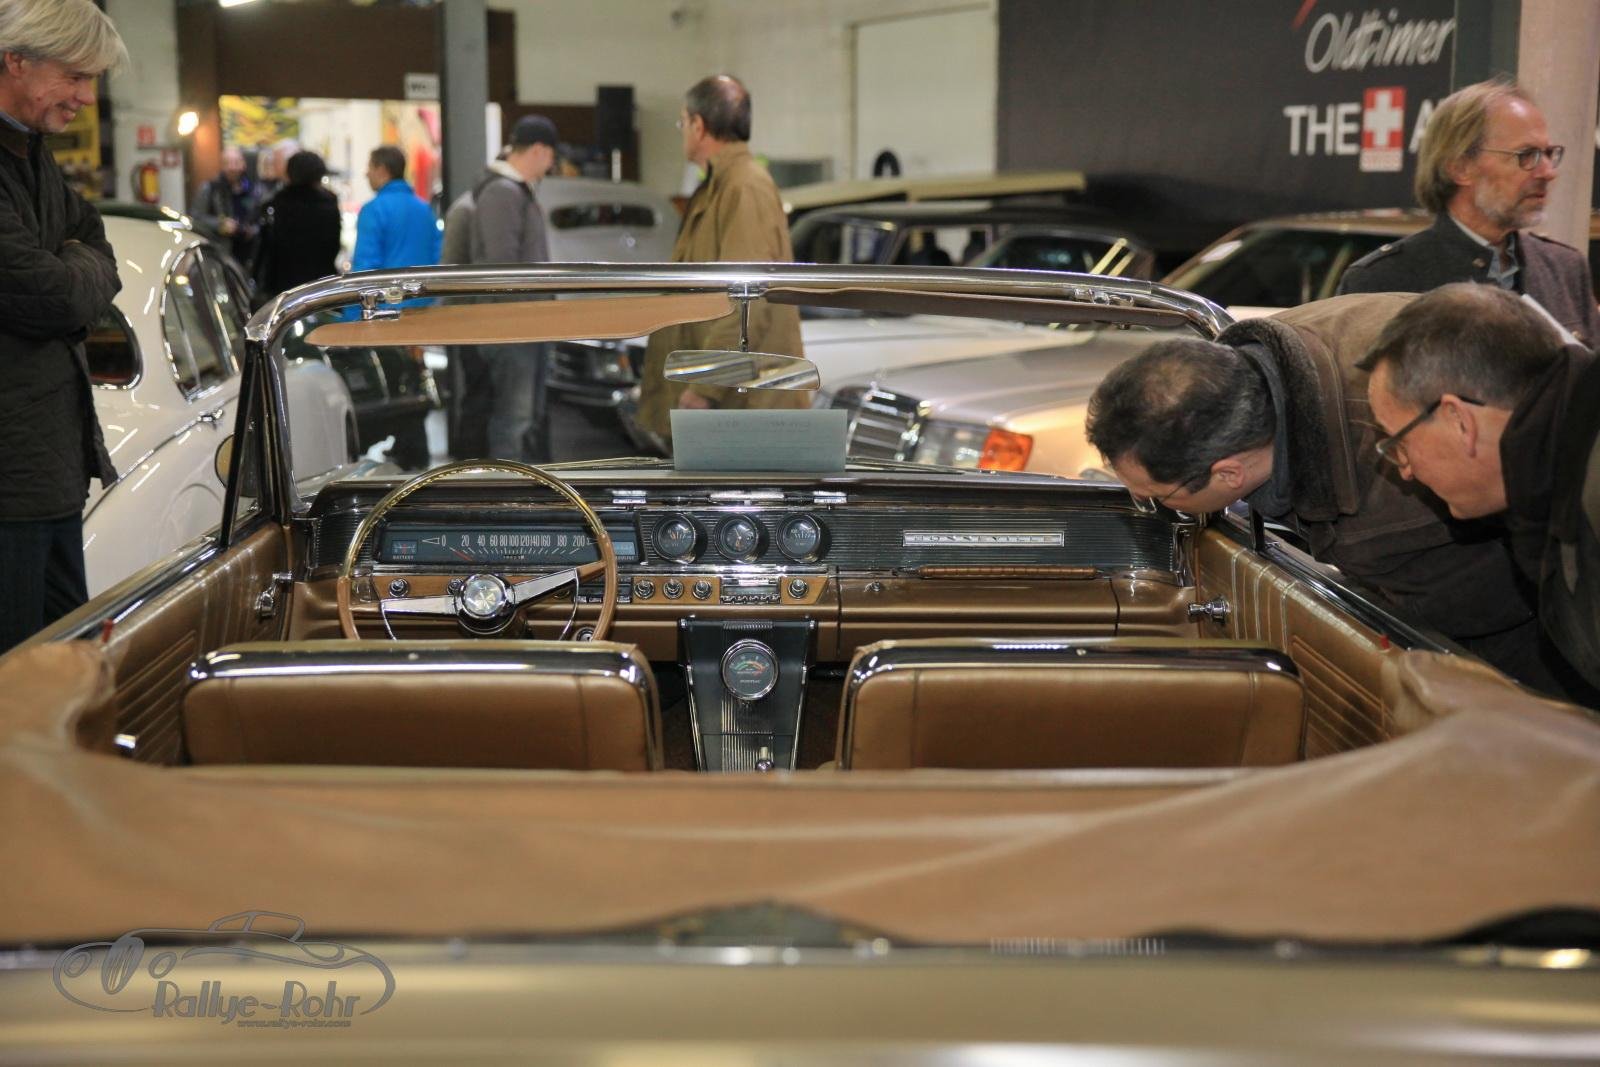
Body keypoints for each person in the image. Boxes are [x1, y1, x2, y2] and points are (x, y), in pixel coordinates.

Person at [1084, 292, 1561, 694]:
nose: (1153, 508)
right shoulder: (1261, 366)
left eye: (1159, 497)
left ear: (1229, 474)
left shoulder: (1399, 449)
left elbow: (1553, 511)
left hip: (1531, 628)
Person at [1361, 283, 1600, 700]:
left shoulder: (1589, 494)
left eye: (1399, 442)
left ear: (1458, 420)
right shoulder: (1553, 476)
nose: (1405, 471)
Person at [0, 0, 126, 653]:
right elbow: (50, 296)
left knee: (65, 671)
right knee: (20, 683)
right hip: (11, 480)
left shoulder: (31, 151)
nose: (85, 97)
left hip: (47, 469)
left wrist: (73, 264)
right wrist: (73, 267)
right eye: (74, 76)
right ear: (15, 61)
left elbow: (97, 243)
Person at [1337, 78, 1600, 348]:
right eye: (1526, 155)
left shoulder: (1565, 268)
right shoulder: (1382, 279)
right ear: (1460, 168)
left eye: (1548, 153)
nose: (1548, 172)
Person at [635, 74, 807, 449]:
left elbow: (748, 297)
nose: (683, 131)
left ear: (699, 126)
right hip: (732, 403)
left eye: (683, 123)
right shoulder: (721, 185)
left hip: (742, 408)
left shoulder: (743, 186)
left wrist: (706, 386)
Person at [469, 115, 559, 463]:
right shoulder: (502, 193)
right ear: (538, 150)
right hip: (512, 326)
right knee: (513, 418)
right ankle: (507, 488)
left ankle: (518, 484)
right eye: (550, 156)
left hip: (524, 324)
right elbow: (501, 266)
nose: (550, 166)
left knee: (523, 416)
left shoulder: (513, 191)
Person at [350, 145, 441, 469]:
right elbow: (436, 258)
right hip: (420, 311)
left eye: (369, 167)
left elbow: (366, 268)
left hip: (386, 313)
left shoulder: (374, 210)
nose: (366, 173)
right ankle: (414, 448)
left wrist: (353, 317)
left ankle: (403, 450)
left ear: (382, 169)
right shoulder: (423, 210)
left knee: (388, 382)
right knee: (413, 378)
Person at [253, 150, 341, 299]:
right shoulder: (329, 205)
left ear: (289, 174)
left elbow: (266, 250)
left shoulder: (276, 205)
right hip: (321, 287)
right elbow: (333, 247)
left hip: (283, 291)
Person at [191, 145, 261, 269]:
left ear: (243, 164)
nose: (232, 167)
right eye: (228, 163)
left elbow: (260, 219)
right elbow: (195, 218)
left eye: (236, 162)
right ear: (222, 166)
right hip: (219, 254)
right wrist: (220, 224)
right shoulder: (209, 189)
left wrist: (252, 230)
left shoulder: (254, 190)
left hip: (249, 255)